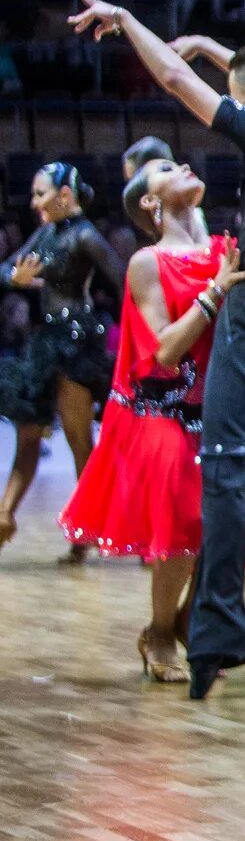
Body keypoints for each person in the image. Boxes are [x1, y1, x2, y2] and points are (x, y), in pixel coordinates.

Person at [70, 0, 245, 700]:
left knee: (222, 471)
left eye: (239, 95)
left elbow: (173, 82)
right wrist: (224, 54)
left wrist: (129, 22)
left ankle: (214, 642)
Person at [60, 159, 245, 681]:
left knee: (225, 527)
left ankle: (180, 620)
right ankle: (158, 630)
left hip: (216, 410)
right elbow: (165, 352)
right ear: (150, 204)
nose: (185, 165)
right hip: (160, 410)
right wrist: (216, 290)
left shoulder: (225, 251)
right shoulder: (147, 263)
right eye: (166, 168)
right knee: (183, 514)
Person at [0, 163, 122, 557]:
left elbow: (124, 279)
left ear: (64, 195)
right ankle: (4, 515)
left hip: (78, 342)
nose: (34, 202)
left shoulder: (85, 235)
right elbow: (8, 267)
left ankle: (88, 531)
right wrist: (14, 280)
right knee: (29, 431)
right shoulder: (47, 231)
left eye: (40, 194)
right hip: (47, 339)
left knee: (78, 442)